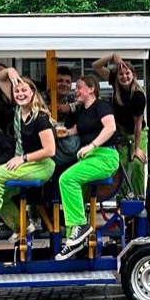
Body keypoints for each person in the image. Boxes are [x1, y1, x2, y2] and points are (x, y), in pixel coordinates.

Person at [0, 69, 56, 247]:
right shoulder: (18, 111)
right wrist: (10, 72)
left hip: (42, 164)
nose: (20, 94)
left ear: (33, 93)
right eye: (17, 91)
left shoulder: (40, 117)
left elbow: (50, 150)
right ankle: (22, 226)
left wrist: (22, 158)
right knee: (0, 196)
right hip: (28, 163)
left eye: (25, 91)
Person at [55, 75, 118, 261]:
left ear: (91, 89)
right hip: (89, 158)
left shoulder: (102, 106)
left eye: (79, 87)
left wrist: (92, 146)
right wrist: (57, 131)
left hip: (105, 156)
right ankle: (75, 239)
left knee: (67, 179)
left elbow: (111, 127)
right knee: (72, 187)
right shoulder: (83, 111)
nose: (76, 90)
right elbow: (74, 130)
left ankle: (79, 227)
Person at [93, 53, 148, 196]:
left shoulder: (138, 95)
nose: (124, 77)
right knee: (120, 165)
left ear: (133, 75)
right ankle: (122, 200)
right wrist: (112, 57)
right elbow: (96, 66)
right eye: (121, 74)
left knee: (137, 163)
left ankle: (139, 198)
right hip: (120, 131)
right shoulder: (115, 82)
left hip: (137, 131)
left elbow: (138, 123)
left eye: (127, 73)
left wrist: (136, 148)